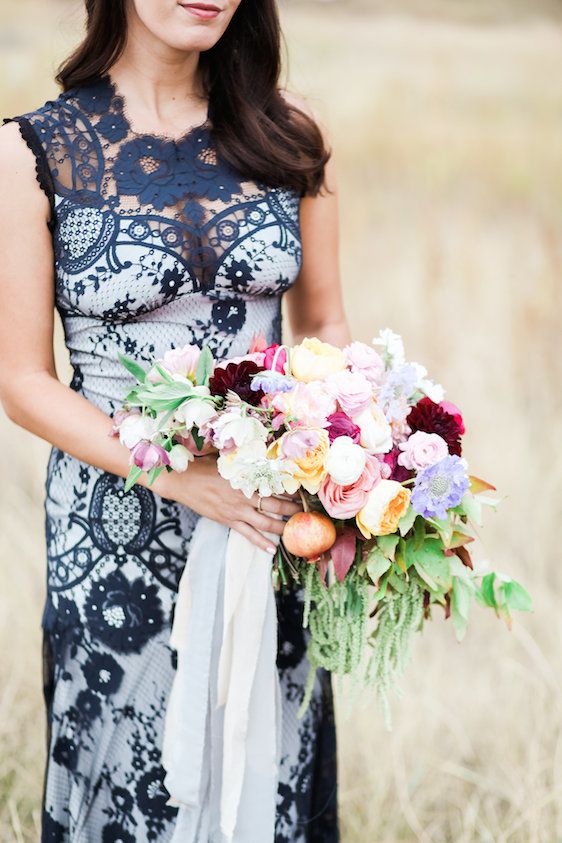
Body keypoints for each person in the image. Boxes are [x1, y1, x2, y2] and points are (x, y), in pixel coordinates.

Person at [0, 0, 350, 839]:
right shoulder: (30, 151)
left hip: (268, 528)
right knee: (128, 791)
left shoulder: (288, 135)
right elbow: (20, 378)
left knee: (264, 780)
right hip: (114, 536)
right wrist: (181, 476)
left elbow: (325, 324)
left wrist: (344, 455)